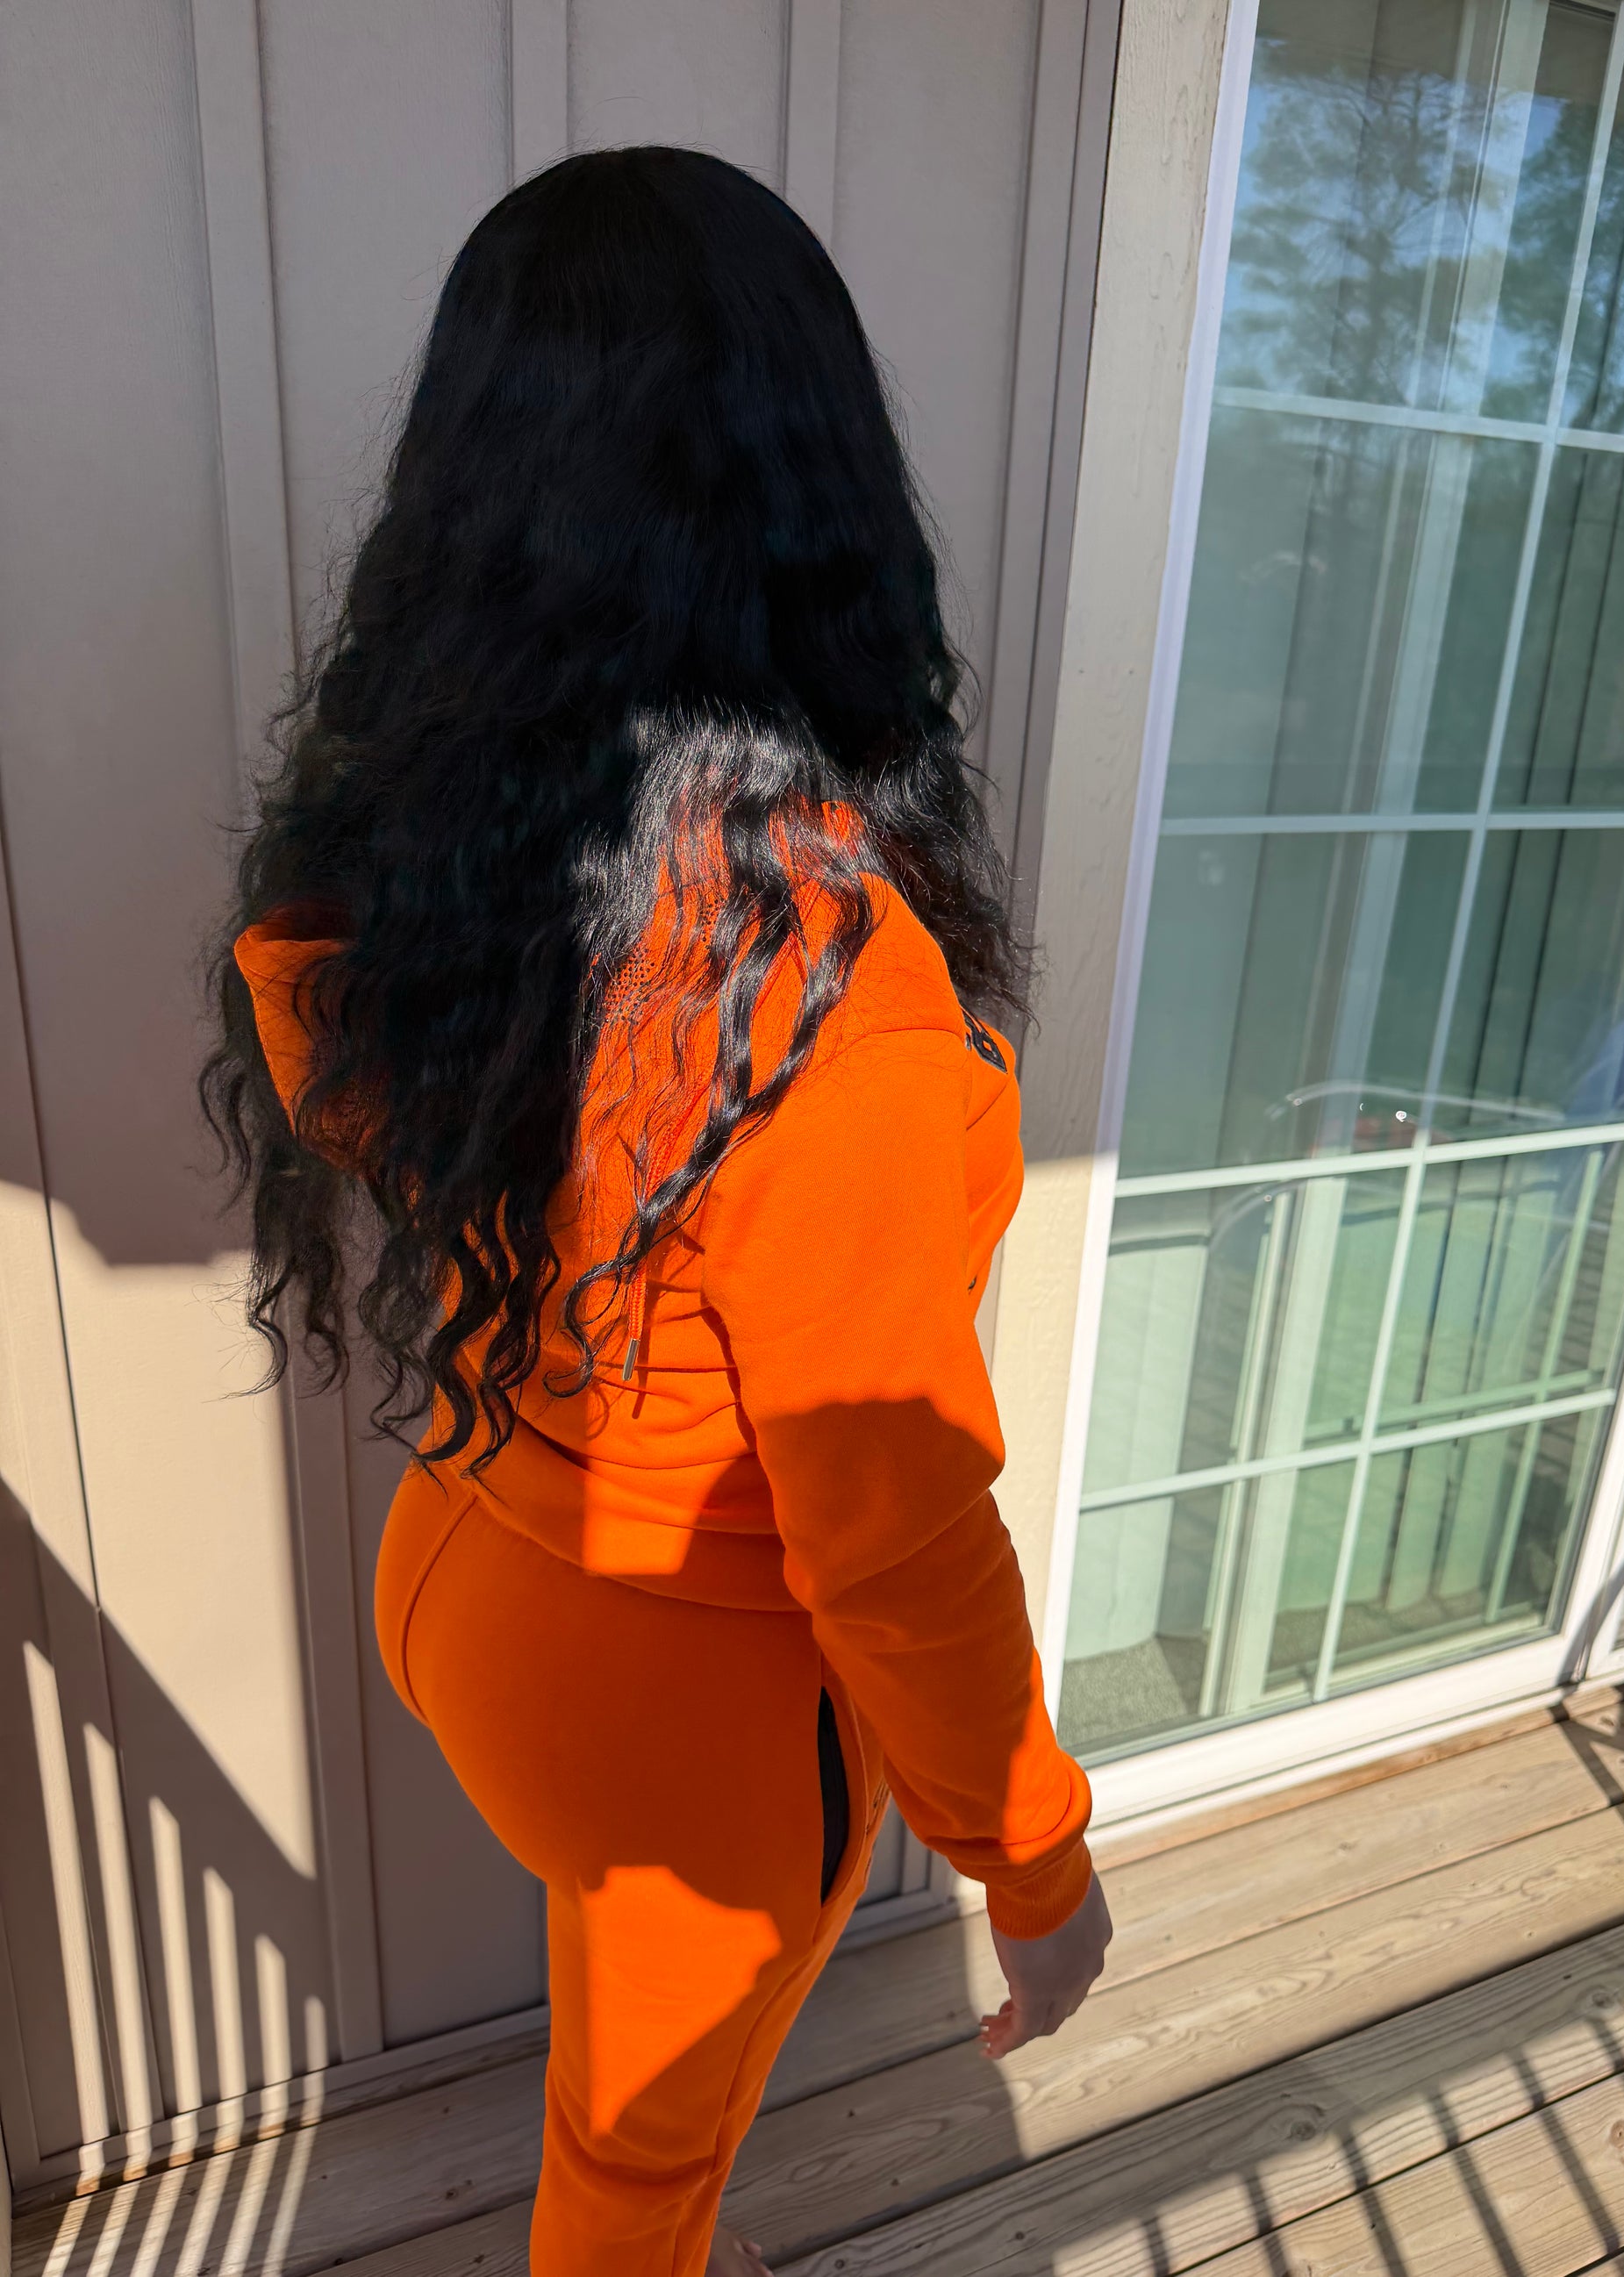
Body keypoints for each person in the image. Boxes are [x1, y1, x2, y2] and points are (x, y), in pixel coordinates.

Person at [204, 145, 1110, 2277]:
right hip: (689, 1712)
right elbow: (888, 1523)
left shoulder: (437, 842)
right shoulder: (820, 988)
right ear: (820, 499)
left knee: (625, 2131)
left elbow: (341, 1062)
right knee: (629, 2184)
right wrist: (1037, 1862)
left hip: (464, 1570)